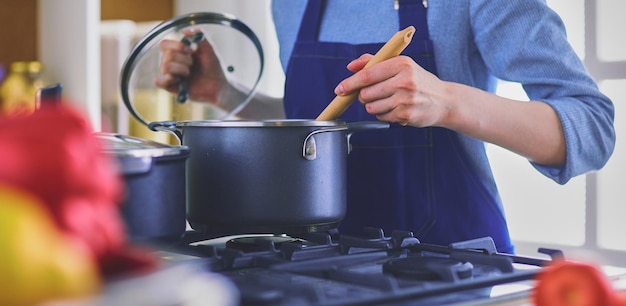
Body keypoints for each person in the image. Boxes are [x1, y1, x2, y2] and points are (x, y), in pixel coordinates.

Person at [154, 0, 615, 254]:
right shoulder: (290, 5)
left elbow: (592, 127)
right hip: (314, 274)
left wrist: (447, 101)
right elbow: (318, 126)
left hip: (450, 274)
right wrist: (226, 95)